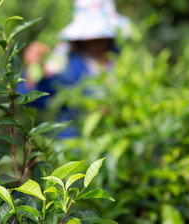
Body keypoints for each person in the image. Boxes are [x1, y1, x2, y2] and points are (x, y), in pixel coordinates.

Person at [18, 0, 131, 137]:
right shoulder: (66, 60)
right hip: (73, 143)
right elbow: (36, 99)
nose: (96, 41)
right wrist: (32, 70)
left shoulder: (122, 57)